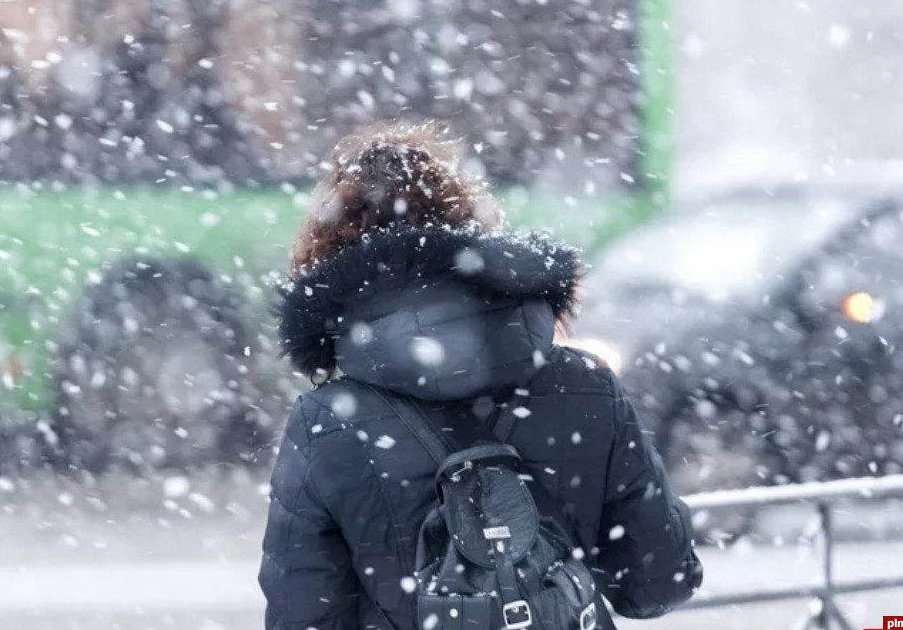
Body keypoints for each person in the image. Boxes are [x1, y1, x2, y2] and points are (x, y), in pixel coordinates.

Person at [259, 121, 702, 629]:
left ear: (327, 255)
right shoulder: (584, 385)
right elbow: (658, 582)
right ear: (468, 225)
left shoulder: (326, 424)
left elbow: (303, 617)